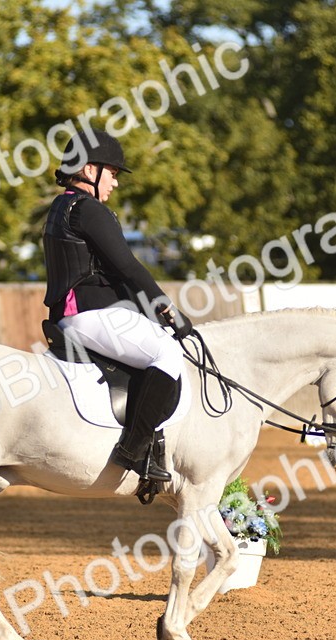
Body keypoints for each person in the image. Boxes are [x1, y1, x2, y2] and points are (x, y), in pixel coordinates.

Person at [41, 129, 193, 483]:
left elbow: (113, 273)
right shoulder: (89, 210)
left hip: (74, 315)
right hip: (89, 314)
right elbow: (127, 266)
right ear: (90, 170)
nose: (116, 183)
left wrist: (149, 309)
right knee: (168, 355)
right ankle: (133, 449)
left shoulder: (61, 206)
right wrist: (167, 307)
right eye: (112, 173)